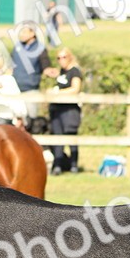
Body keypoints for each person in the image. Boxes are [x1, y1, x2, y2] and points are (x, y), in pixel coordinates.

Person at [47, 47, 82, 175]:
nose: (61, 60)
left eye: (64, 57)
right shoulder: (62, 72)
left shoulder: (75, 72)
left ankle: (74, 165)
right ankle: (58, 165)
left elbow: (75, 89)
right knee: (57, 138)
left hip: (70, 110)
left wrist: (58, 92)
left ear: (70, 57)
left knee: (71, 137)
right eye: (58, 58)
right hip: (58, 109)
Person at [10, 25, 52, 131]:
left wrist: (50, 71)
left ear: (32, 33)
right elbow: (10, 65)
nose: (21, 35)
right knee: (16, 122)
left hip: (30, 89)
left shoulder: (40, 48)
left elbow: (45, 66)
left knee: (31, 122)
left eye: (24, 32)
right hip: (15, 90)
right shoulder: (17, 47)